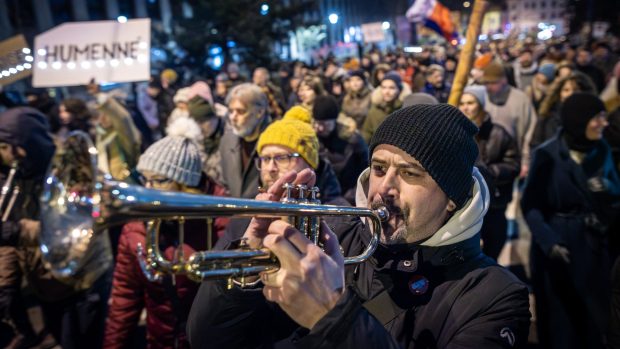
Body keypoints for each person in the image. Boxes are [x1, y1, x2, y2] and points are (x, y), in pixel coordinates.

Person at [187, 104, 531, 348]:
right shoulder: (335, 233)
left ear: (452, 198)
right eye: (379, 168)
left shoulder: (496, 296)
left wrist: (331, 317)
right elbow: (208, 339)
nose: (384, 188)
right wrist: (244, 271)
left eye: (411, 173)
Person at [104, 117, 227, 349]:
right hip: (161, 338)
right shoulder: (135, 227)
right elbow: (124, 297)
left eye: (158, 181)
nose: (147, 190)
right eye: (145, 180)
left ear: (186, 185)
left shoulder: (220, 220)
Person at [0, 107, 111, 349]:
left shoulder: (74, 168)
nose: (3, 155)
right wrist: (6, 283)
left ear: (23, 145)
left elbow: (78, 229)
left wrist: (19, 231)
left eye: (4, 147)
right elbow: (6, 233)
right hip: (45, 286)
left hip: (80, 283)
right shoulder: (17, 176)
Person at [521, 93, 620, 349]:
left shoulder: (602, 149)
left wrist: (609, 189)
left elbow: (615, 198)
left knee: (594, 318)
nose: (603, 124)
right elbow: (530, 204)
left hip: (594, 245)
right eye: (597, 118)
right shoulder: (547, 154)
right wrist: (549, 241)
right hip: (558, 246)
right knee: (560, 321)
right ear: (579, 120)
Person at [459, 86, 520, 260]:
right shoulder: (457, 133)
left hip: (494, 203)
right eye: (462, 103)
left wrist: (489, 172)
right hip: (467, 206)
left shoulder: (498, 133)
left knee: (493, 252)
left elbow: (513, 164)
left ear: (481, 105)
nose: (466, 107)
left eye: (470, 102)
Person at [481, 59, 537, 178]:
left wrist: (525, 161)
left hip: (512, 160)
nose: (488, 87)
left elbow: (529, 132)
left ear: (504, 80)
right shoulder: (482, 97)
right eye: (486, 83)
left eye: (492, 83)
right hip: (486, 160)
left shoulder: (520, 100)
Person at [312, 95, 368, 204]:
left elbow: (366, 172)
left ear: (335, 120)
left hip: (348, 198)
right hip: (319, 199)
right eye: (317, 123)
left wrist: (350, 197)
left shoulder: (353, 140)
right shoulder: (312, 139)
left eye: (325, 124)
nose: (320, 128)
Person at [219, 83, 270, 198]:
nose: (233, 117)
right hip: (234, 212)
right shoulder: (227, 141)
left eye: (240, 111)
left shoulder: (275, 142)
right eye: (231, 111)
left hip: (263, 212)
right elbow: (224, 184)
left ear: (259, 112)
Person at [362, 72, 404, 143]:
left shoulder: (404, 109)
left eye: (392, 88)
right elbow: (367, 133)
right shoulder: (374, 110)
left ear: (399, 90)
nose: (386, 92)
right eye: (384, 87)